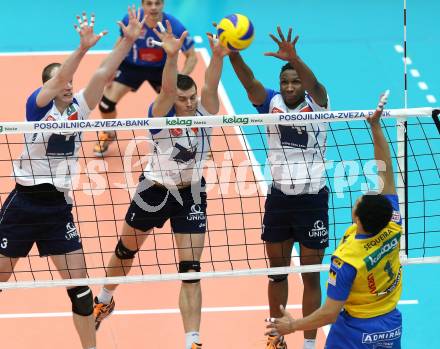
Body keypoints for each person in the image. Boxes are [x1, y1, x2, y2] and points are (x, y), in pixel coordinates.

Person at [0, 8, 145, 349]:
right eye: (59, 81)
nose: (67, 85)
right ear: (49, 86)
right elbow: (64, 74)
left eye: (69, 82)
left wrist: (127, 41)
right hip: (23, 205)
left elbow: (104, 72)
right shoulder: (37, 107)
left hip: (57, 211)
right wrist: (80, 49)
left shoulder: (80, 106)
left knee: (81, 293)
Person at [93, 21, 228, 349]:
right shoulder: (160, 119)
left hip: (191, 193)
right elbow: (166, 92)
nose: (191, 103)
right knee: (125, 251)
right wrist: (170, 58)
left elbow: (211, 85)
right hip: (154, 191)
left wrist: (220, 56)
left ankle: (193, 340)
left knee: (191, 270)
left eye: (192, 97)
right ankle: (105, 298)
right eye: (184, 99)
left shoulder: (206, 114)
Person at [265, 92, 404, 349]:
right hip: (390, 324)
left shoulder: (347, 259)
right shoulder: (393, 224)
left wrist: (291, 326)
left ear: (357, 218)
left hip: (354, 331)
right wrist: (375, 127)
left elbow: (329, 313)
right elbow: (387, 170)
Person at [228, 27, 329, 349]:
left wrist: (295, 59)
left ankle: (311, 343)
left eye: (294, 81)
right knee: (277, 273)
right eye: (285, 81)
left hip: (312, 199)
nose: (289, 86)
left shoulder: (319, 103)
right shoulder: (270, 103)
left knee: (311, 275)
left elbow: (316, 85)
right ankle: (276, 337)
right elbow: (249, 84)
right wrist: (232, 53)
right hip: (279, 199)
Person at [93, 0, 198, 157]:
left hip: (161, 69)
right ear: (142, 5)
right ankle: (108, 133)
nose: (154, 7)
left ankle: (192, 140)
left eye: (158, 3)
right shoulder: (131, 20)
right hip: (131, 67)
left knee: (182, 104)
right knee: (106, 104)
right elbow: (120, 44)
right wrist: (109, 69)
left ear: (163, 4)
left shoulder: (174, 26)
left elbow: (192, 57)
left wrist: (179, 80)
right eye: (149, 3)